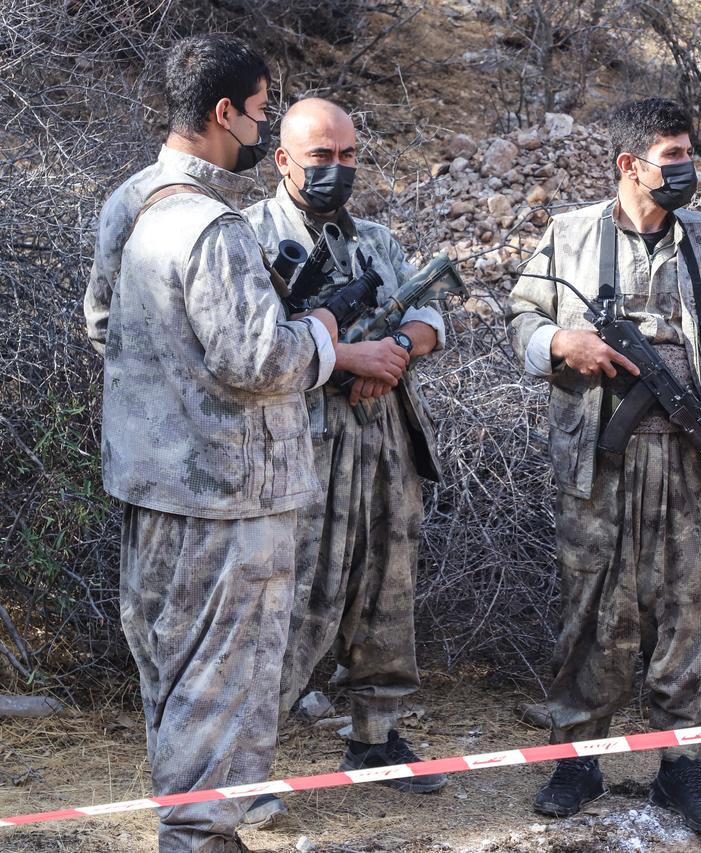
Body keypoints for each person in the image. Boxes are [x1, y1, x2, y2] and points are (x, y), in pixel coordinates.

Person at [98, 35, 348, 853]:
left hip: (151, 487)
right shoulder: (214, 226)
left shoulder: (129, 201)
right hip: (231, 502)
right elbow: (259, 359)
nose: (264, 122)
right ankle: (200, 837)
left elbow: (105, 325)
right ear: (224, 112)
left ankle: (203, 826)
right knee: (223, 677)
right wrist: (320, 335)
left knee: (173, 670)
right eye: (262, 107)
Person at [505, 98, 701, 835]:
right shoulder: (570, 235)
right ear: (629, 165)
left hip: (690, 460)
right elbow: (521, 315)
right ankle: (578, 757)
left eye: (689, 156)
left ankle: (682, 768)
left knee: (691, 609)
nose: (686, 171)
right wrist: (562, 343)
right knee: (594, 606)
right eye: (671, 158)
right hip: (600, 461)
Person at [240, 97, 449, 826]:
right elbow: (251, 348)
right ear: (285, 159)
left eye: (349, 155)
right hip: (302, 445)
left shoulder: (376, 239)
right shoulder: (249, 237)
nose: (337, 169)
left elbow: (430, 314)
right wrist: (344, 358)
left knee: (387, 593)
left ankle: (376, 738)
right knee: (291, 603)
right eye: (321, 156)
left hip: (385, 440)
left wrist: (398, 351)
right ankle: (243, 764)